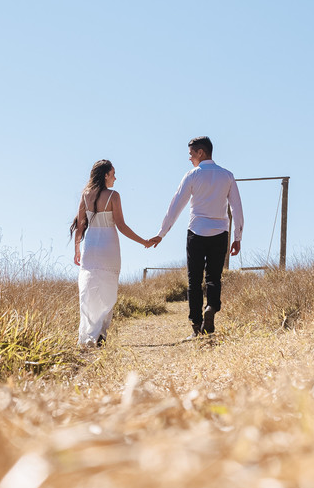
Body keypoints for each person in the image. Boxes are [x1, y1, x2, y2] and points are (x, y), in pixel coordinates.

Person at [149, 136, 243, 339]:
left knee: (194, 279)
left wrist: (162, 233)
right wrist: (238, 237)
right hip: (220, 233)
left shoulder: (192, 176)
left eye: (191, 154)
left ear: (201, 152)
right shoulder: (227, 175)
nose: (190, 158)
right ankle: (211, 307)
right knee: (214, 277)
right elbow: (237, 207)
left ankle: (196, 325)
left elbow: (176, 205)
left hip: (196, 232)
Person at [70, 160, 155, 348]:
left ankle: (88, 333)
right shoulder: (114, 196)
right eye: (113, 173)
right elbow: (122, 226)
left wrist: (77, 249)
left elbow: (80, 226)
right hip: (109, 248)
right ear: (105, 175)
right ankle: (100, 333)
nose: (116, 177)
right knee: (108, 291)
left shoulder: (85, 195)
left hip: (90, 247)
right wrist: (144, 242)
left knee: (88, 291)